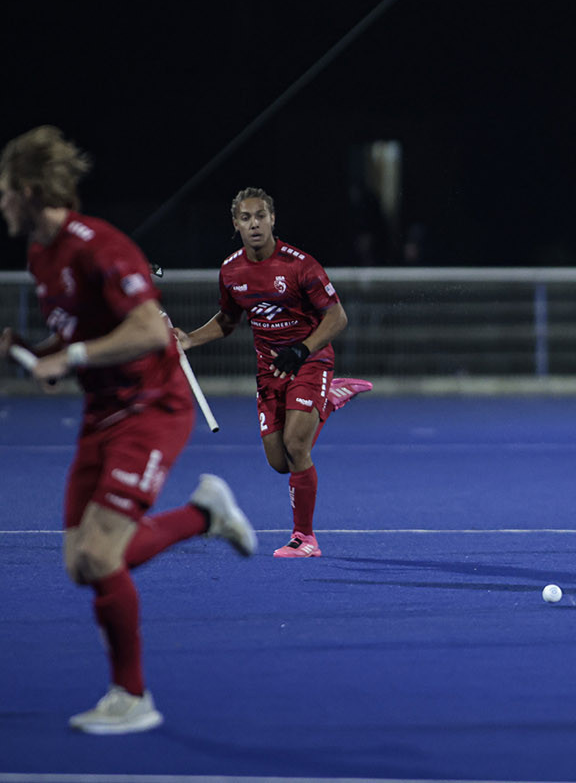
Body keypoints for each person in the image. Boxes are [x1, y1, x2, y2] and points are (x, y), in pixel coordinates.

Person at [1, 126, 258, 734]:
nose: (1, 203)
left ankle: (133, 696)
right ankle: (204, 515)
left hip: (152, 409)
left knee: (99, 553)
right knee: (80, 564)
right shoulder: (39, 253)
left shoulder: (99, 246)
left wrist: (77, 358)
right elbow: (75, 333)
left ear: (31, 192)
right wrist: (35, 352)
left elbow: (147, 331)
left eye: (5, 191)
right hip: (101, 415)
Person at [176, 187, 369, 559]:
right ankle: (328, 401)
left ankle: (305, 538)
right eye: (246, 218)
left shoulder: (300, 264)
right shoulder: (231, 270)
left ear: (272, 219)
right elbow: (228, 321)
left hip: (309, 360)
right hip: (269, 372)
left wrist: (303, 350)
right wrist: (188, 340)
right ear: (236, 224)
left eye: (260, 216)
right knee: (280, 462)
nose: (254, 224)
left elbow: (337, 317)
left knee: (298, 447)